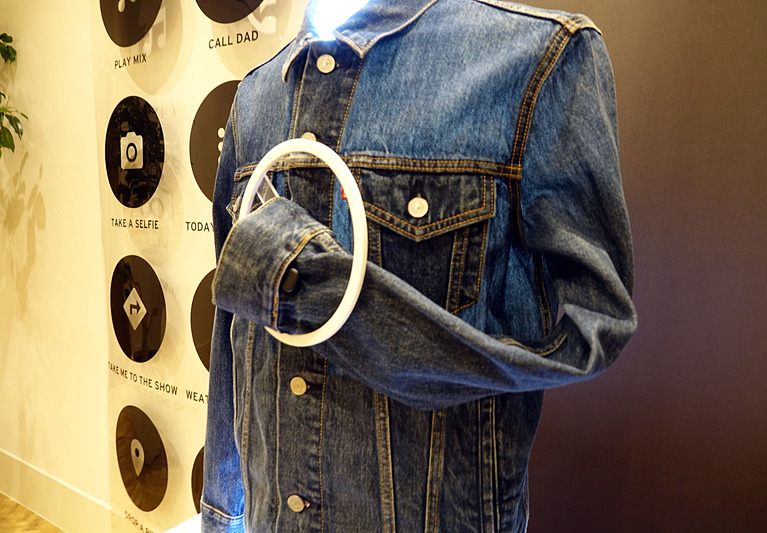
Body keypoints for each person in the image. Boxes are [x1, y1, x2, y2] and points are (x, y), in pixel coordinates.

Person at [202, 0, 637, 531]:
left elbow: (599, 324)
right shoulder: (254, 98)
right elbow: (232, 333)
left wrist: (316, 291)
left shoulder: (537, 60)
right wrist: (222, 514)